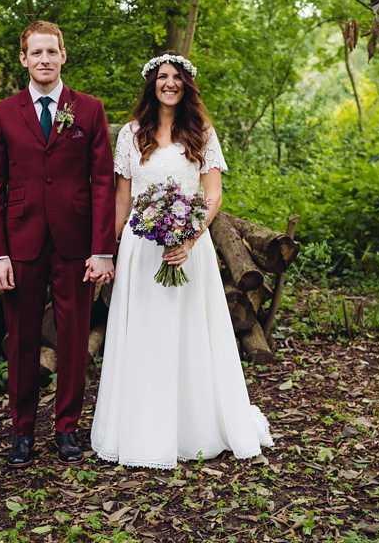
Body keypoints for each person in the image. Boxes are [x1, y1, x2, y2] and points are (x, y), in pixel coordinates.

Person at [90, 51, 274, 469]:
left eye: (175, 77)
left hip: (189, 249)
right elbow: (122, 198)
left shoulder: (202, 133)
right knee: (146, 335)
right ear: (151, 85)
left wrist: (189, 239)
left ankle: (195, 427)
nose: (168, 83)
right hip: (141, 248)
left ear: (185, 85)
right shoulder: (131, 134)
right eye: (161, 77)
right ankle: (141, 429)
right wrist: (109, 246)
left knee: (191, 333)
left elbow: (213, 195)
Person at [0, 21, 116, 468]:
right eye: (35, 53)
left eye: (51, 52)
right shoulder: (4, 112)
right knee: (19, 338)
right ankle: (21, 430)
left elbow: (101, 183)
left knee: (74, 337)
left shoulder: (90, 109)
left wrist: (102, 250)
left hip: (77, 244)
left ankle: (66, 429)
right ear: (24, 59)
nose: (43, 59)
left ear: (63, 56)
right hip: (20, 243)